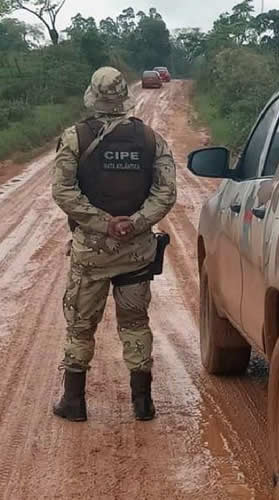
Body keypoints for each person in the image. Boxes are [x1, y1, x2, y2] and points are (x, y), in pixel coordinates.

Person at [51, 66, 177, 422]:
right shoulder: (151, 140)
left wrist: (102, 223)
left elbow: (63, 191)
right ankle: (142, 403)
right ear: (125, 97)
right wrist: (134, 223)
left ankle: (74, 403)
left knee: (80, 326)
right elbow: (166, 193)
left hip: (91, 253)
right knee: (135, 324)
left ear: (92, 96)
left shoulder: (74, 138)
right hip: (136, 253)